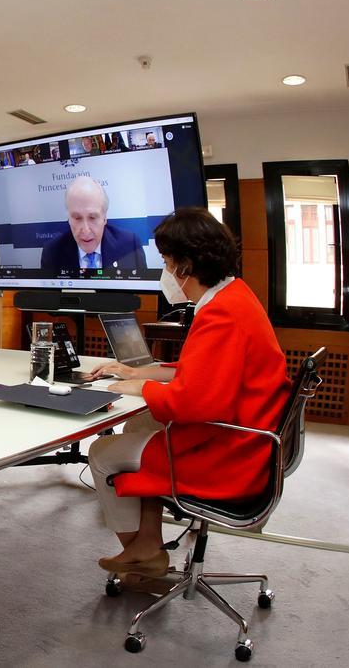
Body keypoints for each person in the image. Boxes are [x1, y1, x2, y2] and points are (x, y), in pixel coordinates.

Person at [85, 208, 290, 578]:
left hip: (231, 452)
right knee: (137, 427)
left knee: (101, 452)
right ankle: (148, 541)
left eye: (166, 261)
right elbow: (207, 372)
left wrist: (141, 387)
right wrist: (139, 371)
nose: (164, 271)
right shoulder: (235, 297)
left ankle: (140, 561)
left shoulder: (220, 315)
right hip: (249, 434)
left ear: (185, 266)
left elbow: (194, 403)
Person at [39, 176, 147, 272]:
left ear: (104, 218)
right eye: (77, 218)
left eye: (92, 218)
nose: (85, 230)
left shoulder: (130, 246)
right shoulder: (52, 252)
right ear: (69, 219)